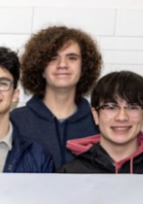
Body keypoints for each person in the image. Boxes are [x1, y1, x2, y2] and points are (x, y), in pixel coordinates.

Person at [10, 26, 102, 169]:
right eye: (53, 58)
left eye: (72, 58)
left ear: (84, 67)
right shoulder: (15, 122)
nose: (62, 65)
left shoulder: (100, 123)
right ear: (40, 68)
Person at [57, 71, 143, 175]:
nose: (122, 117)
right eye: (111, 107)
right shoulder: (69, 175)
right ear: (95, 115)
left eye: (132, 107)